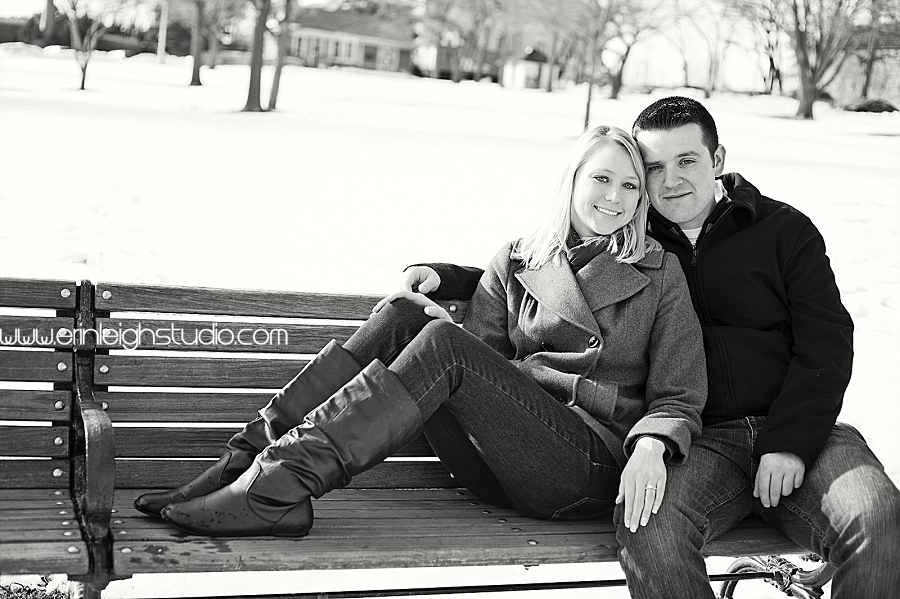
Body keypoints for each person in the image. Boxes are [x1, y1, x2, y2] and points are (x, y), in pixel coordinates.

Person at [407, 97, 900, 598]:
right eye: (654, 168)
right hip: (696, 441)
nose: (670, 182)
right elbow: (556, 266)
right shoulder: (636, 237)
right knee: (650, 526)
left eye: (687, 161)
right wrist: (455, 278)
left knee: (878, 521)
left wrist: (789, 440)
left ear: (719, 160)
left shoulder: (782, 230)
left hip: (800, 431)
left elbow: (827, 342)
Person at [133, 125, 707, 538]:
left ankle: (277, 489)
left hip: (584, 467)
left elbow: (680, 394)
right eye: (601, 178)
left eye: (631, 187)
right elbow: (482, 359)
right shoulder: (519, 257)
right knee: (407, 314)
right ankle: (244, 466)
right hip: (497, 460)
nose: (614, 197)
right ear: (572, 179)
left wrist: (653, 444)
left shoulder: (658, 272)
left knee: (441, 342)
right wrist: (440, 288)